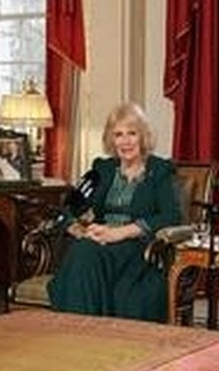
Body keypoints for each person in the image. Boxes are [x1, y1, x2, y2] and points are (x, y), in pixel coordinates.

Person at [47, 102, 181, 321]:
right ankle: (81, 328)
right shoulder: (102, 169)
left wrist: (120, 233)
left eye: (132, 133)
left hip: (136, 247)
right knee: (83, 250)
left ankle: (79, 327)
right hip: (99, 241)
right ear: (111, 139)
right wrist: (79, 229)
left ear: (143, 136)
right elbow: (68, 207)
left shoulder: (159, 171)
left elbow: (171, 216)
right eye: (118, 134)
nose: (125, 141)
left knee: (84, 254)